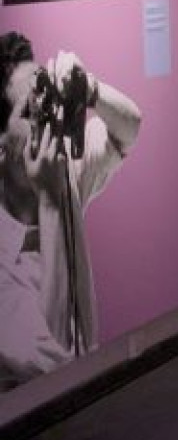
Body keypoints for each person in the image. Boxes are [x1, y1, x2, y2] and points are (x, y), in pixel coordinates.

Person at [0, 34, 142, 389]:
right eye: (31, 111)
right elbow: (56, 370)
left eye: (49, 98)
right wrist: (49, 202)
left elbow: (128, 130)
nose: (50, 119)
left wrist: (90, 89)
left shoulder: (63, 173)